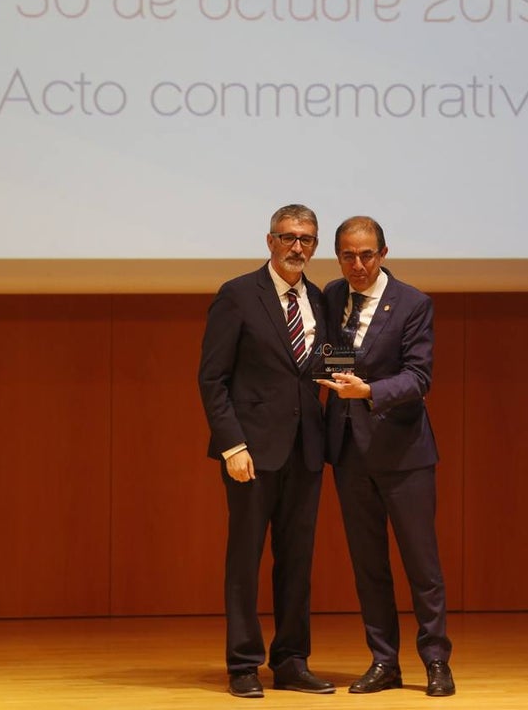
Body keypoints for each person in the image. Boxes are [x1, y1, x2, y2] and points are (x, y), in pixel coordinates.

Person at [198, 204, 335, 698]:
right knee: (245, 559)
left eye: (307, 239)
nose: (298, 247)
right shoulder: (238, 295)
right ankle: (242, 664)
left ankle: (292, 660)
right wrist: (232, 444)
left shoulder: (319, 300)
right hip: (251, 454)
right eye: (289, 237)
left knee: (297, 561)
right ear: (270, 241)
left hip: (306, 452)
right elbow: (212, 378)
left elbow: (322, 370)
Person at [315, 216, 455, 697]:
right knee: (368, 564)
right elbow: (327, 354)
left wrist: (368, 390)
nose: (358, 264)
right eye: (348, 256)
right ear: (337, 257)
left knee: (421, 564)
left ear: (384, 252)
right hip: (350, 452)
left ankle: (436, 660)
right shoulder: (331, 295)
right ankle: (384, 661)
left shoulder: (414, 303)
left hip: (404, 454)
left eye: (367, 255)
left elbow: (419, 377)